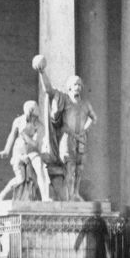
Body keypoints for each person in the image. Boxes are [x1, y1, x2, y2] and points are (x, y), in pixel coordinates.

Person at [38, 62, 96, 201]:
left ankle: (75, 192)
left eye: (79, 85)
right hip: (67, 137)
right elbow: (49, 90)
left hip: (81, 139)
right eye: (75, 85)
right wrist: (42, 72)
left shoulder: (85, 104)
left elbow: (94, 118)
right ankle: (69, 196)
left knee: (79, 168)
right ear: (69, 87)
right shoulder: (63, 98)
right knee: (70, 167)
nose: (78, 87)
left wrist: (85, 129)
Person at [0, 100, 51, 203]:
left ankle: (45, 197)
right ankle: (2, 195)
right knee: (20, 179)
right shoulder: (18, 121)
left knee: (40, 168)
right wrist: (6, 150)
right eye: (36, 108)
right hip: (19, 151)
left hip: (32, 151)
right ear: (31, 110)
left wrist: (25, 136)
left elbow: (35, 144)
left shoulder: (39, 125)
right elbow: (12, 135)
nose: (38, 110)